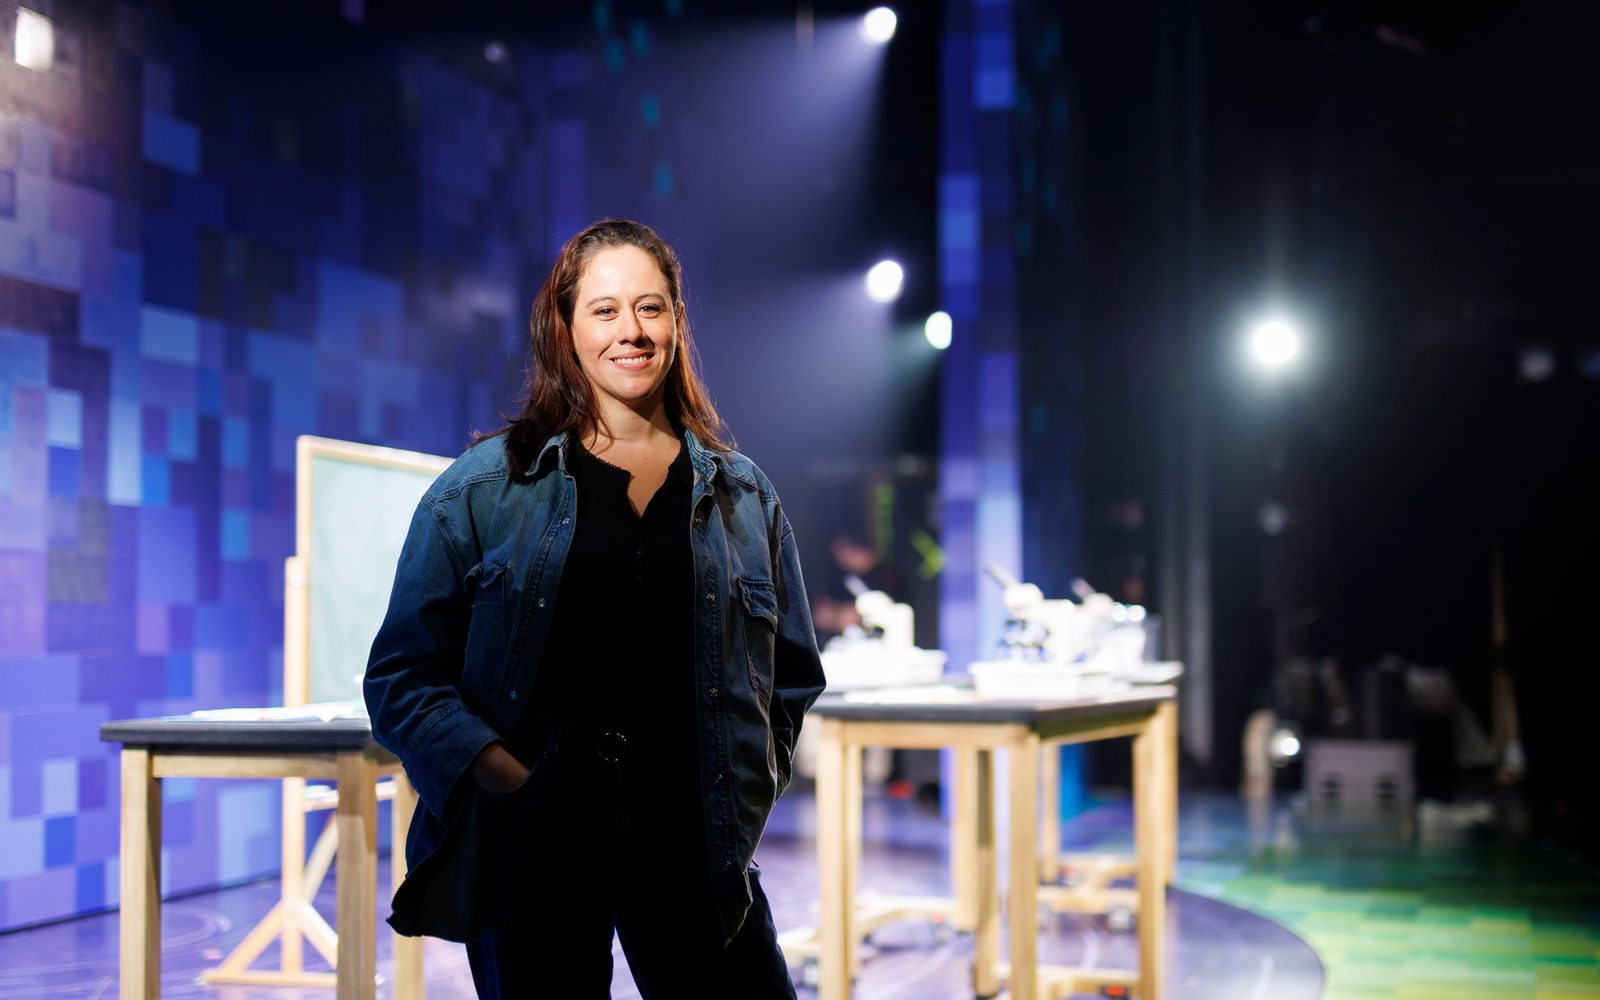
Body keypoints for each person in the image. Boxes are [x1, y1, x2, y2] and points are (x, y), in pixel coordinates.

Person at [364, 218, 826, 998]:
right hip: (535, 827)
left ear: (678, 324)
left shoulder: (746, 496)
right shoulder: (481, 490)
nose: (631, 331)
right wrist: (496, 772)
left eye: (650, 308)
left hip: (695, 832)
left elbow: (791, 677)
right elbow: (403, 675)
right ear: (566, 329)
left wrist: (743, 798)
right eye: (605, 311)